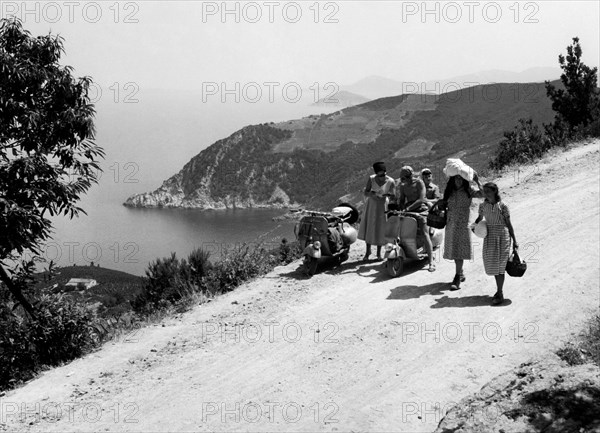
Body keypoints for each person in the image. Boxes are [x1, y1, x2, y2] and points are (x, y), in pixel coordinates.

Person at [472, 183, 518, 305]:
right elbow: (479, 218)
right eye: (484, 191)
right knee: (493, 264)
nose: (485, 193)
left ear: (495, 191)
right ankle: (499, 291)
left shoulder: (503, 206)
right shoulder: (483, 206)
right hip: (490, 237)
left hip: (503, 237)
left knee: (500, 267)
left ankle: (499, 293)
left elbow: (509, 224)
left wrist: (515, 242)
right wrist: (474, 226)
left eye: (488, 191)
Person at [440, 173, 483, 290]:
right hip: (451, 224)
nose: (458, 180)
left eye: (460, 178)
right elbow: (444, 204)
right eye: (456, 178)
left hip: (463, 225)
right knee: (455, 250)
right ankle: (460, 272)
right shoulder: (449, 190)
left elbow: (483, 194)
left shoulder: (469, 190)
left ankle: (457, 277)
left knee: (460, 250)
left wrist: (477, 181)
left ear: (464, 180)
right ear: (452, 179)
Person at [396, 166, 435, 272]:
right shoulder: (403, 186)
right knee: (400, 230)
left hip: (421, 210)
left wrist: (408, 208)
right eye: (402, 178)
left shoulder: (419, 183)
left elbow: (421, 199)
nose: (404, 180)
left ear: (410, 176)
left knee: (424, 233)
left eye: (405, 178)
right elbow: (402, 199)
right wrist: (399, 207)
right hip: (408, 211)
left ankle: (431, 262)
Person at [358, 161, 395, 261]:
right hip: (372, 205)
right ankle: (367, 252)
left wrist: (387, 195)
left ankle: (378, 253)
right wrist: (373, 195)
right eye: (379, 173)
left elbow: (394, 195)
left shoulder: (390, 181)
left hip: (383, 205)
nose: (381, 175)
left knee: (381, 228)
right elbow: (366, 192)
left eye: (383, 172)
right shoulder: (371, 179)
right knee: (370, 226)